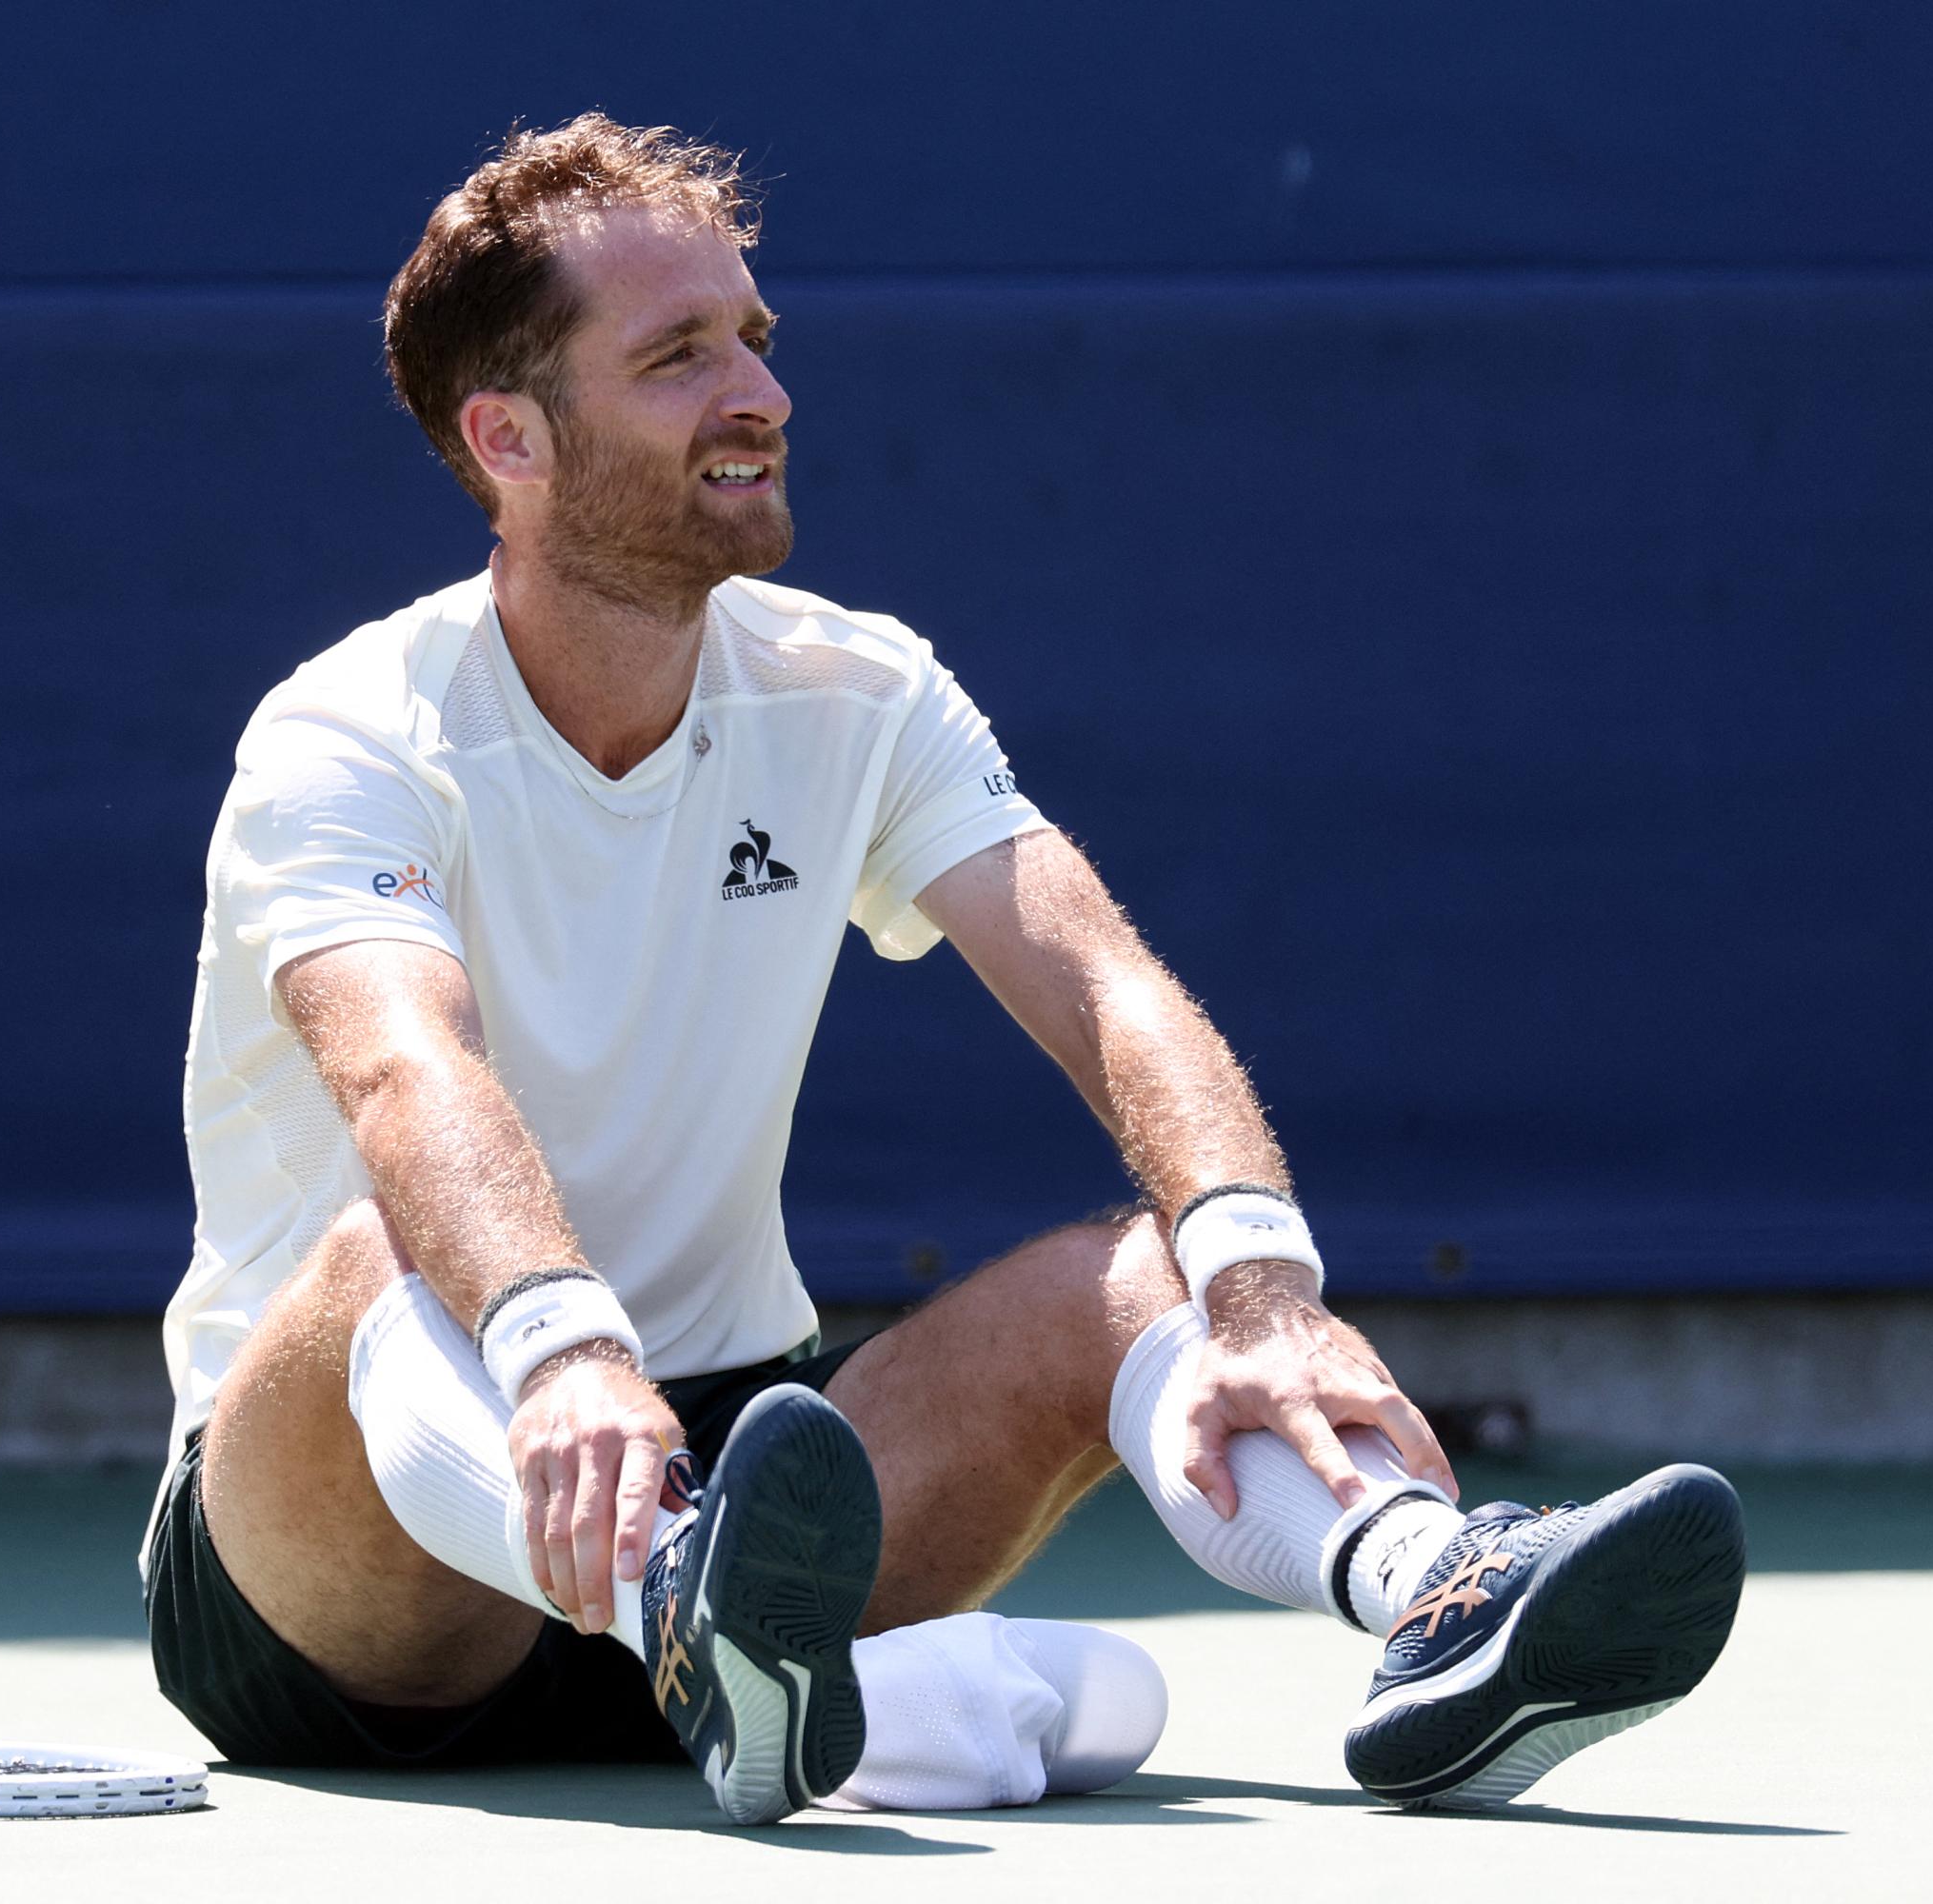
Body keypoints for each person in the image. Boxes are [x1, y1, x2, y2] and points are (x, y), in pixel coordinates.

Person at [143, 113, 1746, 1825]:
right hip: (349, 1564)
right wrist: (558, 1357)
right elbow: (410, 1074)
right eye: (677, 357)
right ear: (509, 438)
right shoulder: (343, 735)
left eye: (753, 339)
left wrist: (1265, 1296)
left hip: (739, 1485)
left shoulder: (861, 689)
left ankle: (1432, 1589)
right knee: (384, 1249)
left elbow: (1102, 982)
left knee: (1142, 1271)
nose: (756, 393)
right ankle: (681, 1606)